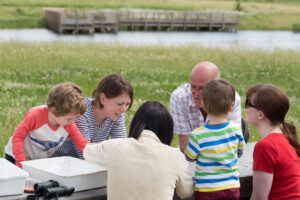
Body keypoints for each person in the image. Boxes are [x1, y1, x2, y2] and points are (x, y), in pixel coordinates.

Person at [83, 101, 194, 200]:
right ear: (167, 130)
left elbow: (87, 152)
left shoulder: (115, 146)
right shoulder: (174, 156)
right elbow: (186, 192)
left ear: (136, 122)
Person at [185, 79, 245, 200]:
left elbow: (189, 157)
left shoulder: (198, 135)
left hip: (206, 189)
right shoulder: (236, 129)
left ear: (204, 105)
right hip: (231, 187)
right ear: (231, 107)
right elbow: (239, 152)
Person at [170, 61, 249, 153]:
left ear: (215, 87)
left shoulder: (232, 97)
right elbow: (185, 144)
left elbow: (232, 142)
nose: (196, 93)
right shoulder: (179, 97)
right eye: (192, 87)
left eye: (201, 88)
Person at [5, 82, 88, 168]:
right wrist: (21, 164)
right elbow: (17, 138)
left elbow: (82, 144)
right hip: (15, 157)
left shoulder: (68, 125)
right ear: (53, 110)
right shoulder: (35, 116)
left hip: (35, 161)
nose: (72, 122)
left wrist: (98, 154)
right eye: (69, 118)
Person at [52, 74, 133, 159]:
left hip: (84, 164)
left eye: (127, 104)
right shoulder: (81, 111)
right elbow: (86, 153)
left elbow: (121, 148)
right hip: (58, 161)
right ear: (103, 99)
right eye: (119, 104)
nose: (124, 109)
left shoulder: (117, 114)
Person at [245, 84, 300, 200]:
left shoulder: (266, 146)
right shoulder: (286, 138)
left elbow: (259, 198)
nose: (245, 108)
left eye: (248, 104)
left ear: (260, 115)